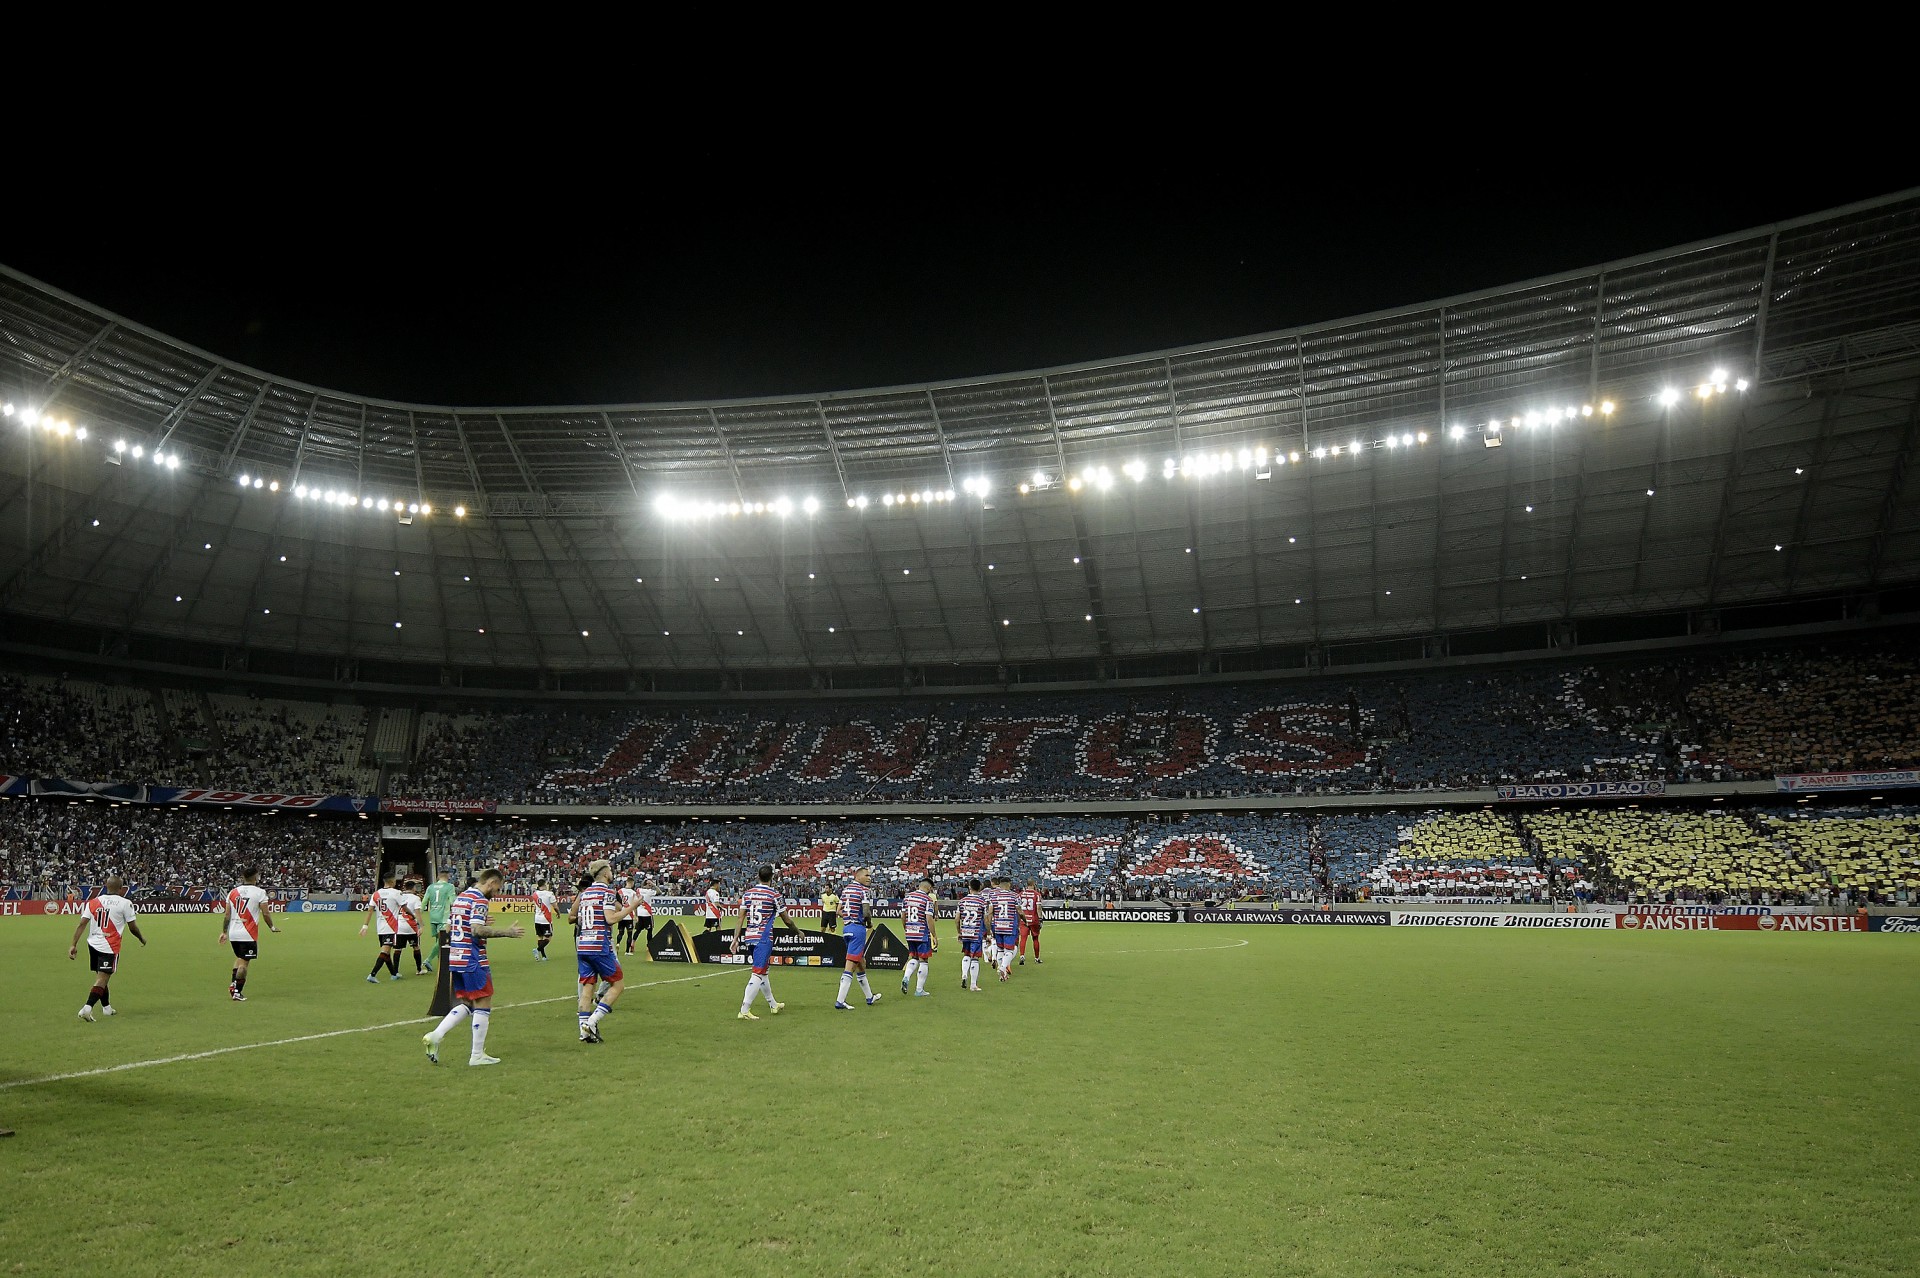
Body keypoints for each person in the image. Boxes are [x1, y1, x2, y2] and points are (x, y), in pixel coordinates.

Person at [423, 867, 523, 1067]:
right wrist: (507, 932)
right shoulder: (479, 899)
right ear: (492, 883)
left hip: (456, 958)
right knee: (483, 1002)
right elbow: (477, 931)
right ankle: (477, 1055)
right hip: (473, 958)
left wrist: (481, 922)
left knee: (468, 1003)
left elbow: (450, 927)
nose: (496, 894)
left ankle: (436, 1035)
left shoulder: (461, 898)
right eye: (497, 889)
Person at [573, 859, 637, 1044]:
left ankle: (584, 1032)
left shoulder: (585, 894)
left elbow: (578, 919)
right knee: (618, 985)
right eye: (610, 870)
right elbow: (610, 919)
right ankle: (591, 1022)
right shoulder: (607, 892)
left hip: (583, 945)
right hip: (599, 945)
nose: (612, 873)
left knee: (587, 989)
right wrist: (632, 907)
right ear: (605, 873)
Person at [69, 875, 145, 1021]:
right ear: (121, 888)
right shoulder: (125, 903)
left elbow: (82, 924)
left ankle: (107, 1008)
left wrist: (73, 944)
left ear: (106, 886)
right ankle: (87, 1008)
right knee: (102, 979)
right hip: (109, 946)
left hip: (93, 944)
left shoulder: (93, 902)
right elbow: (133, 927)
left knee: (101, 976)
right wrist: (141, 938)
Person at [731, 863, 799, 1021]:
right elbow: (787, 920)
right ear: (772, 877)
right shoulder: (774, 895)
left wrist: (735, 939)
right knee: (757, 973)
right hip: (763, 938)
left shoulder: (748, 894)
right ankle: (744, 1009)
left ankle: (773, 1004)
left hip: (749, 937)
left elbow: (740, 918)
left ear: (758, 877)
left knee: (764, 972)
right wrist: (798, 931)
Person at [218, 864, 278, 1002]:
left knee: (240, 958)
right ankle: (237, 992)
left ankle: (233, 985)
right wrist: (272, 927)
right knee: (244, 965)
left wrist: (224, 932)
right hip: (248, 934)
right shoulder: (259, 893)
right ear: (255, 877)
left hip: (233, 933)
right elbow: (266, 913)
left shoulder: (233, 892)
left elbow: (227, 915)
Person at [833, 867, 880, 1010]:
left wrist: (849, 917)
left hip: (847, 929)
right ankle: (840, 1001)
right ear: (858, 876)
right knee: (850, 965)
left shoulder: (846, 890)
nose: (869, 878)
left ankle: (869, 997)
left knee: (861, 963)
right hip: (858, 929)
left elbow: (838, 911)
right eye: (866, 875)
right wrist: (869, 923)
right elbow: (866, 912)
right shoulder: (863, 890)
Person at [359, 869, 405, 983]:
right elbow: (404, 906)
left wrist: (365, 926)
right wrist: (412, 916)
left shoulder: (376, 894)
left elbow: (370, 910)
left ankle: (394, 974)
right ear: (392, 881)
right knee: (385, 952)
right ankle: (372, 974)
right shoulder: (396, 893)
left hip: (380, 928)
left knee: (387, 952)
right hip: (391, 927)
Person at [899, 876, 936, 997]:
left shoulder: (907, 897)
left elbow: (903, 916)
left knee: (914, 957)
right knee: (924, 960)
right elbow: (929, 918)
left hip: (910, 932)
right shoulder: (927, 899)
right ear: (928, 888)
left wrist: (906, 928)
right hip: (922, 933)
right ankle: (919, 990)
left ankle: (906, 977)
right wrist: (934, 935)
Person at [421, 870, 457, 972]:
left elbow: (424, 902)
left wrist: (419, 915)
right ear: (448, 877)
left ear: (438, 877)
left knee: (438, 941)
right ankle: (428, 960)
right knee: (442, 941)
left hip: (433, 917)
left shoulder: (430, 887)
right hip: (443, 917)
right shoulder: (449, 887)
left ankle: (441, 964)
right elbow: (452, 901)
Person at [955, 879, 986, 992]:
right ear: (980, 888)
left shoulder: (962, 901)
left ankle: (964, 974)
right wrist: (988, 932)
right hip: (976, 932)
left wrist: (959, 932)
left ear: (969, 887)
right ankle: (973, 985)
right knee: (975, 958)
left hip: (965, 932)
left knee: (966, 954)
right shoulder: (982, 901)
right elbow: (986, 919)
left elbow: (957, 919)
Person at [989, 876, 1020, 982]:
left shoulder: (993, 896)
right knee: (1009, 950)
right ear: (1009, 884)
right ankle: (1003, 967)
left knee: (1000, 949)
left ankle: (1003, 973)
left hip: (997, 926)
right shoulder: (1014, 896)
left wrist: (990, 926)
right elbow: (1019, 911)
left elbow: (990, 912)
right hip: (1010, 926)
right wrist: (1024, 921)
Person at [395, 879, 426, 975]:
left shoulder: (399, 896)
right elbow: (417, 913)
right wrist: (421, 926)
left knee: (398, 949)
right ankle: (419, 969)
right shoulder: (415, 898)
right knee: (416, 947)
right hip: (411, 926)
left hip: (399, 926)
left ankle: (395, 972)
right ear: (413, 888)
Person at [1018, 878, 1043, 966]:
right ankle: (1037, 958)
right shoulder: (1037, 894)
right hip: (1034, 920)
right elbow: (1038, 908)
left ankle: (1022, 956)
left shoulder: (1021, 894)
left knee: (1023, 938)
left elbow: (1018, 907)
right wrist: (1040, 919)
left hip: (1023, 919)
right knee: (1035, 938)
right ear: (1033, 884)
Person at [531, 880, 558, 962]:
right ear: (544, 884)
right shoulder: (549, 894)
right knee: (548, 937)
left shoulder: (535, 894)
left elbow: (535, 906)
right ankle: (537, 949)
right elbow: (555, 906)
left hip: (537, 918)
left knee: (540, 937)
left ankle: (543, 956)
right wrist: (558, 913)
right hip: (546, 919)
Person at [614, 879, 639, 954]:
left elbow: (616, 903)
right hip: (629, 916)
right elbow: (635, 905)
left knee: (620, 933)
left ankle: (618, 944)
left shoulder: (620, 891)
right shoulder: (633, 893)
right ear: (632, 883)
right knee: (629, 934)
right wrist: (636, 915)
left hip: (621, 915)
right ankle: (627, 951)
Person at [631, 879, 656, 954]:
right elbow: (659, 892)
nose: (650, 886)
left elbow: (635, 903)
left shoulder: (638, 890)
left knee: (638, 930)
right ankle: (649, 946)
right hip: (647, 913)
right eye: (650, 884)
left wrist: (636, 915)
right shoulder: (649, 891)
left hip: (640, 912)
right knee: (649, 930)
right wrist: (654, 885)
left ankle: (632, 943)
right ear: (647, 885)